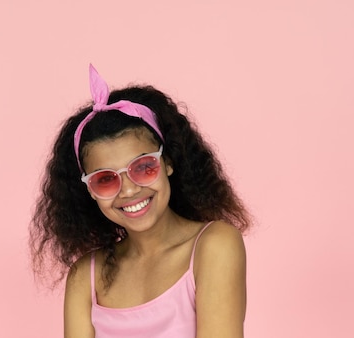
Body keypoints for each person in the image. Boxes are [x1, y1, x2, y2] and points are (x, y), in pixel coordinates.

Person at [30, 65, 252, 338]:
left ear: (168, 161)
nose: (128, 190)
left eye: (144, 167)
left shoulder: (215, 245)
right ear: (89, 190)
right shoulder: (85, 277)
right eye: (105, 179)